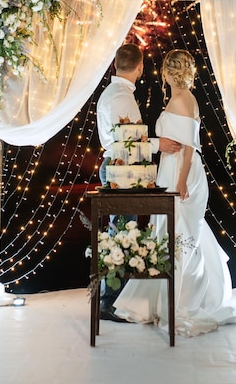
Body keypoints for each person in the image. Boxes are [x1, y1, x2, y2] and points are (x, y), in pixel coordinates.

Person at [114, 49, 236, 336]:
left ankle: (182, 301)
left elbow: (189, 148)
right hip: (170, 172)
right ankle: (162, 300)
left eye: (165, 71)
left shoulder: (182, 99)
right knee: (169, 232)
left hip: (182, 174)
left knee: (180, 234)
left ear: (169, 73)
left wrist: (181, 181)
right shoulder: (179, 98)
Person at [96, 43, 182, 322]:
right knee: (121, 235)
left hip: (119, 169)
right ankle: (108, 302)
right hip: (120, 170)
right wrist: (160, 144)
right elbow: (126, 139)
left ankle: (112, 299)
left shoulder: (115, 92)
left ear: (116, 65)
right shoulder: (120, 96)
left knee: (121, 233)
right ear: (140, 68)